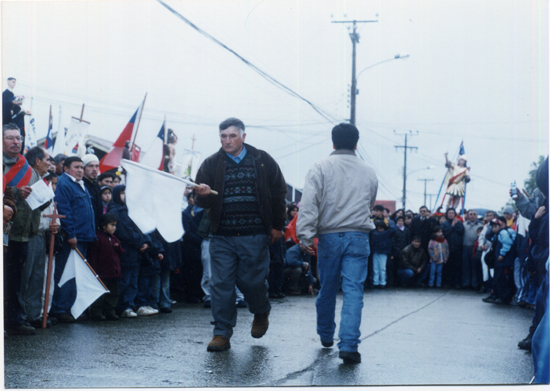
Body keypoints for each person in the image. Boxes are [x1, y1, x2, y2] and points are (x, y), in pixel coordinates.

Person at [194, 117, 287, 352]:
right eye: (223, 136)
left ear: (243, 136)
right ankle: (221, 333)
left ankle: (261, 310)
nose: (227, 141)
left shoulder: (262, 160)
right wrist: (203, 194)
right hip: (221, 236)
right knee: (221, 284)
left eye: (232, 136)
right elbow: (199, 199)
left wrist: (277, 225)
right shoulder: (211, 163)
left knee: (252, 282)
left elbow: (279, 192)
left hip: (255, 234)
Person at [296, 122, 378, 365]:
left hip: (330, 236)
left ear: (333, 142)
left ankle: (325, 334)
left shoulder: (320, 167)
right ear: (356, 143)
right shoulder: (369, 170)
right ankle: (350, 345)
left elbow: (309, 203)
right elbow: (370, 203)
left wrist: (305, 235)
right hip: (358, 236)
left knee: (327, 288)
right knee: (354, 292)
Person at [3, 126, 41, 335]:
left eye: (18, 138)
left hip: (24, 232)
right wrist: (18, 192)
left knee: (16, 280)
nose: (16, 142)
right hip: (7, 231)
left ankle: (15, 320)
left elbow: (39, 195)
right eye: (10, 138)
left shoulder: (26, 166)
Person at [51, 156, 96, 322]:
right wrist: (70, 234)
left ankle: (69, 307)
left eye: (81, 167)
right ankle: (60, 308)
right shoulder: (64, 183)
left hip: (83, 236)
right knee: (65, 273)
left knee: (75, 273)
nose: (80, 170)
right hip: (73, 237)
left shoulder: (79, 183)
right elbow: (64, 210)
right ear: (66, 168)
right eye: (76, 167)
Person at [19, 147, 59, 329]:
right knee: (25, 277)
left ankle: (34, 314)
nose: (50, 163)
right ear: (37, 161)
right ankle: (21, 316)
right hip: (27, 234)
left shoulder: (44, 181)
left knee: (37, 277)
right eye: (47, 159)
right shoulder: (27, 177)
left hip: (40, 234)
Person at [107, 185, 152, 317]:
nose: (125, 195)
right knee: (124, 280)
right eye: (122, 193)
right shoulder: (115, 210)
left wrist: (147, 242)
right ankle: (119, 306)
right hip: (125, 250)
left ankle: (129, 305)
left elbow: (144, 226)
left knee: (133, 281)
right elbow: (123, 230)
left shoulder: (133, 209)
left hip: (136, 252)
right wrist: (140, 242)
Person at [87, 213, 125, 321]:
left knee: (113, 293)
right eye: (111, 225)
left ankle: (110, 311)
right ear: (104, 226)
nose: (114, 228)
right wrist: (93, 270)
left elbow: (121, 251)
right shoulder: (98, 239)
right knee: (100, 293)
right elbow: (93, 256)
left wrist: (118, 248)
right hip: (102, 271)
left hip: (114, 271)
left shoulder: (115, 239)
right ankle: (96, 311)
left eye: (115, 225)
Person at [482, 216, 517, 304]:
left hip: (503, 262)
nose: (494, 228)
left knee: (502, 280)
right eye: (492, 227)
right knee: (497, 279)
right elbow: (488, 235)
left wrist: (502, 254)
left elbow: (508, 243)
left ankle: (504, 298)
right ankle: (498, 296)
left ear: (501, 226)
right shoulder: (498, 234)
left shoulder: (503, 233)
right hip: (499, 262)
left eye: (496, 226)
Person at [441, 207, 465, 289]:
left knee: (457, 266)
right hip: (447, 248)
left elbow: (461, 232)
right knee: (447, 266)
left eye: (452, 213)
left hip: (457, 248)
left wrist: (456, 225)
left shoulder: (459, 222)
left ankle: (456, 283)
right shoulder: (444, 224)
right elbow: (445, 233)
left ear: (455, 214)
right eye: (449, 213)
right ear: (447, 214)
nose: (451, 214)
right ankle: (447, 283)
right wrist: (452, 226)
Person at [462, 209, 483, 289]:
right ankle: (466, 283)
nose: (472, 216)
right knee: (465, 266)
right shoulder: (464, 225)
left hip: (474, 249)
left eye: (474, 214)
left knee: (474, 266)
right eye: (471, 214)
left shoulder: (480, 225)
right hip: (465, 247)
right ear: (468, 215)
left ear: (477, 216)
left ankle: (474, 284)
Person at [369, 221, 394, 288]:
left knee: (381, 268)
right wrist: (388, 224)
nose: (380, 229)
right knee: (377, 268)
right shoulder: (386, 233)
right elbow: (393, 229)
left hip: (380, 252)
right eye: (379, 228)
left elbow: (393, 230)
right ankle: (378, 282)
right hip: (379, 252)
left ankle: (380, 282)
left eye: (381, 228)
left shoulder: (374, 233)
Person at [81, 154, 102, 227]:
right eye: (91, 166)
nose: (94, 169)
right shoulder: (80, 185)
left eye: (96, 166)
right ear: (83, 168)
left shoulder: (96, 186)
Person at [389, 216, 410, 287]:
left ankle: (402, 282)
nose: (400, 222)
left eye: (402, 221)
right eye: (399, 221)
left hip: (405, 251)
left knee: (403, 266)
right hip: (396, 251)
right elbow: (392, 241)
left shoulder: (406, 230)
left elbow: (408, 241)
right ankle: (395, 282)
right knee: (395, 267)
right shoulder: (394, 230)